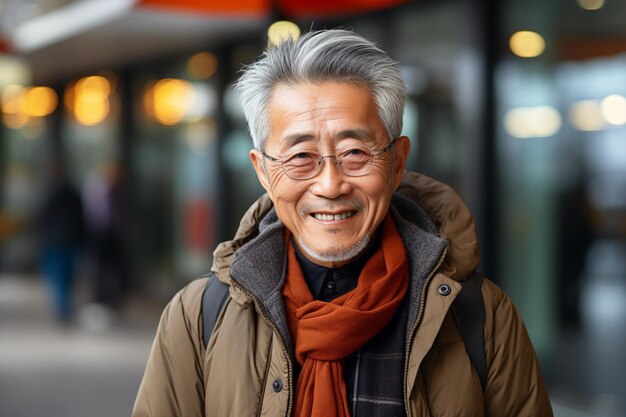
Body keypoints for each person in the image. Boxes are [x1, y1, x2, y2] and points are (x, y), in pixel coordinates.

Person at [133, 29, 553, 417]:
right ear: (262, 171)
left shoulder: (479, 314)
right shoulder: (200, 316)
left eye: (355, 151)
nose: (331, 184)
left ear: (397, 162)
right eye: (301, 156)